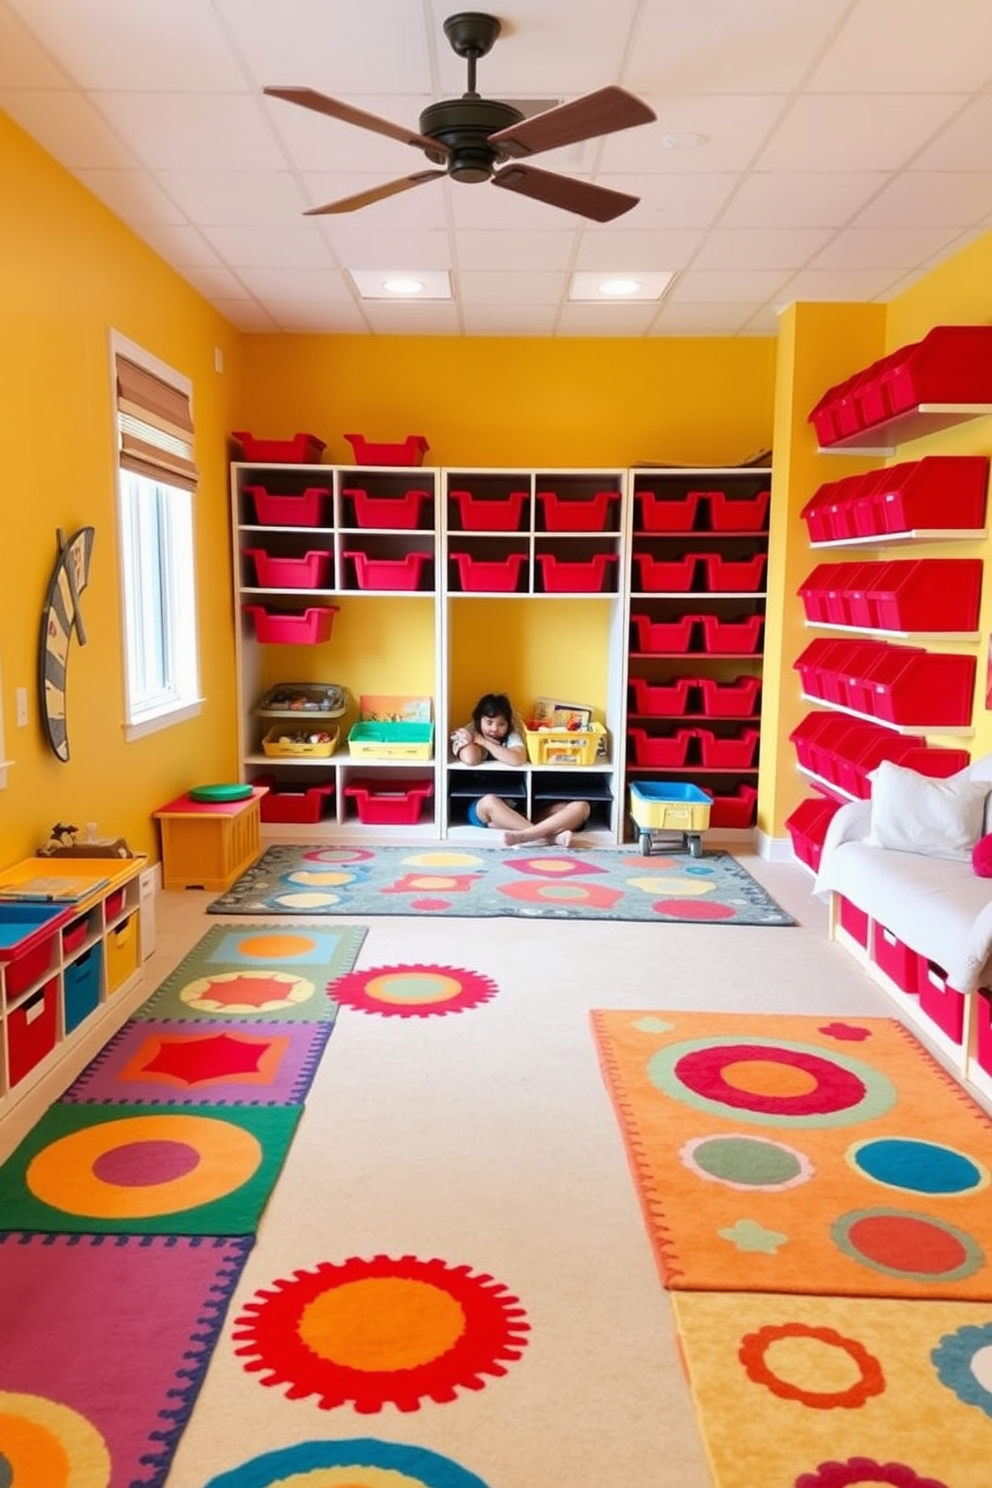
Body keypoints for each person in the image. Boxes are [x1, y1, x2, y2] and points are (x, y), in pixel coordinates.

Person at [451, 692, 591, 847]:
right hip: (484, 808)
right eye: (489, 722)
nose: (494, 729)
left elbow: (517, 759)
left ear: (508, 724)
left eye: (501, 724)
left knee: (581, 807)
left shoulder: (511, 736)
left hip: (519, 810)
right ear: (479, 720)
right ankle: (549, 838)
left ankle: (528, 834)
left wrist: (483, 741)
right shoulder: (468, 733)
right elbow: (471, 759)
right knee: (489, 800)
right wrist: (474, 738)